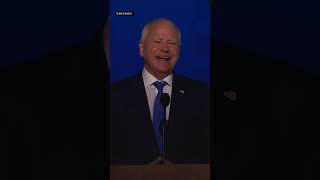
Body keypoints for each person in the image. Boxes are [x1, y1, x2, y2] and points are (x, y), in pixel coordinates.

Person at [110, 18, 210, 165]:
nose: (165, 48)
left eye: (172, 43)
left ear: (179, 51)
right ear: (141, 48)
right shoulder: (115, 95)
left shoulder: (201, 94)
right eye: (157, 41)